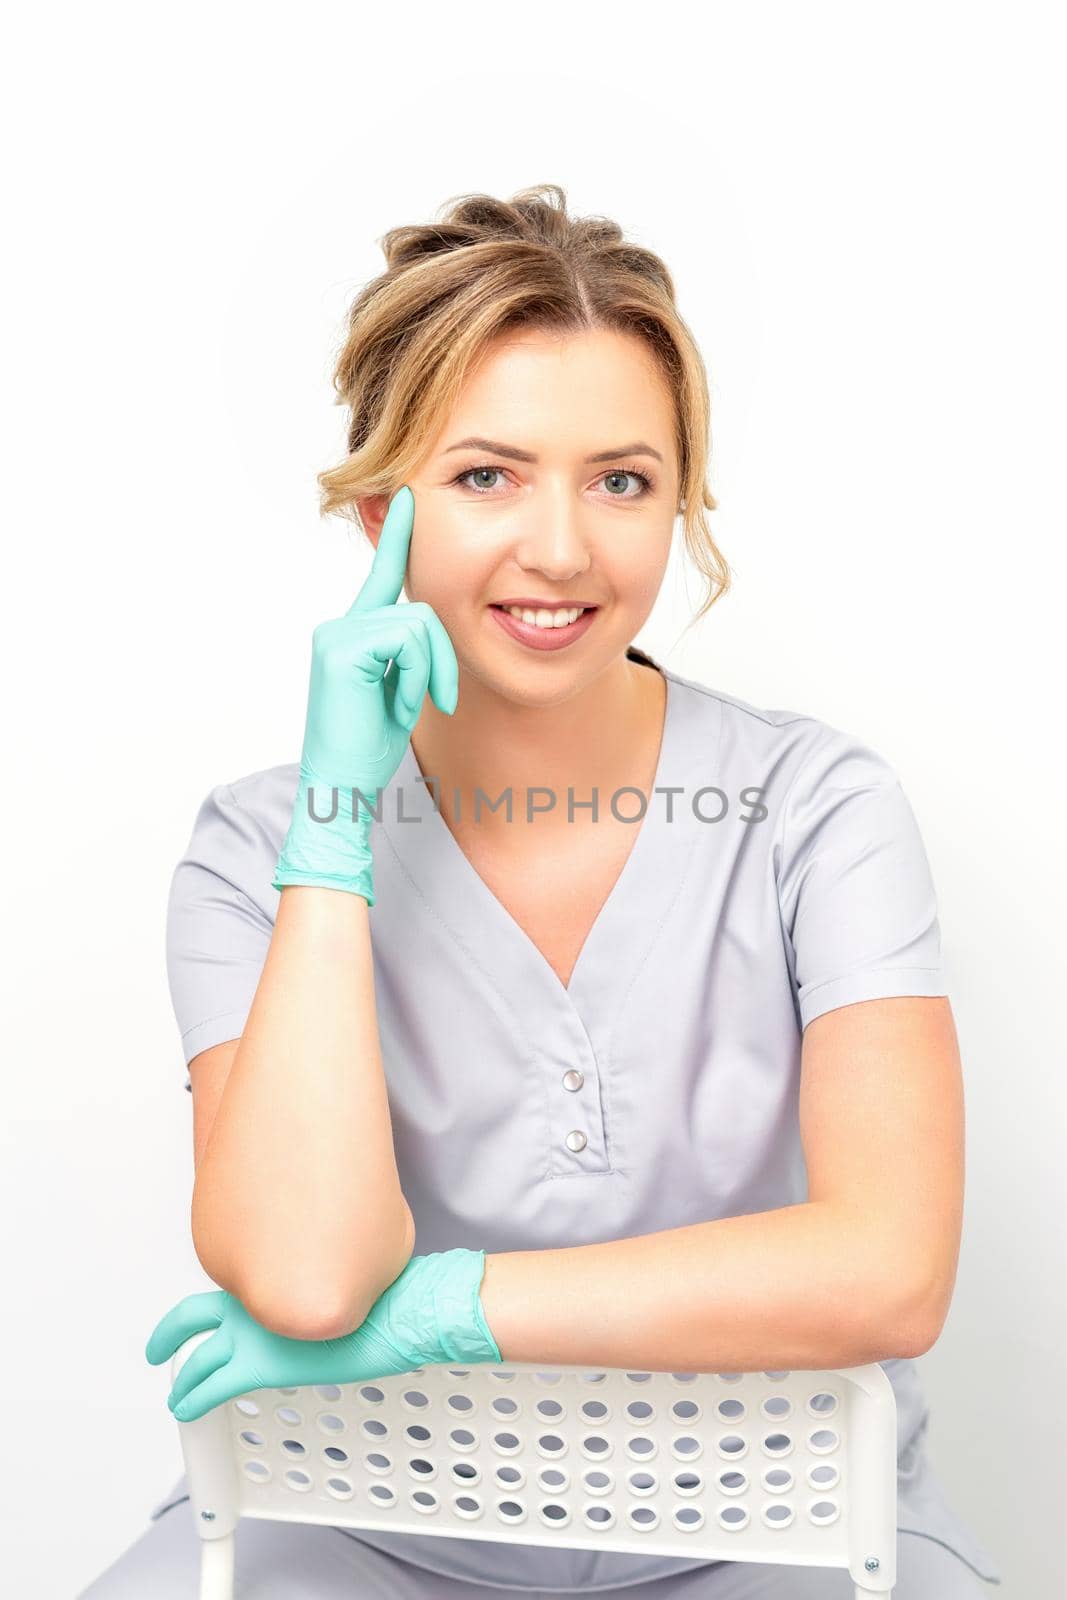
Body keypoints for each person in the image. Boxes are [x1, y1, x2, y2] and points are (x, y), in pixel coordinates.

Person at [79, 184, 1002, 1596]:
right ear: (384, 510)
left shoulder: (819, 814)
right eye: (487, 475)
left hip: (777, 1515)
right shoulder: (250, 851)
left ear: (678, 500)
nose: (563, 549)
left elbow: (888, 1272)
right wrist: (334, 833)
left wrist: (454, 1309)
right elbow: (311, 1281)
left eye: (622, 480)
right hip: (356, 1516)